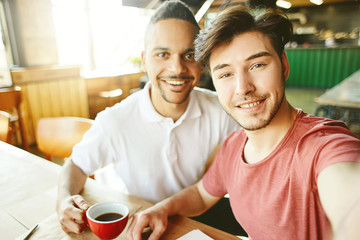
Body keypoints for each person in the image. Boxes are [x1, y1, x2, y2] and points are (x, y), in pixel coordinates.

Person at [126, 5, 360, 240]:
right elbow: (200, 195)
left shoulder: (323, 146)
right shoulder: (234, 145)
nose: (243, 88)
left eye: (257, 65)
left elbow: (349, 196)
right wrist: (162, 208)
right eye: (226, 74)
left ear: (284, 66)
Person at [56, 0, 239, 235]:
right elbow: (76, 165)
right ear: (144, 59)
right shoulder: (115, 120)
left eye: (189, 54)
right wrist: (63, 199)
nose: (177, 68)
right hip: (137, 222)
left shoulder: (220, 108)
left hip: (191, 215)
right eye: (163, 54)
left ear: (201, 60)